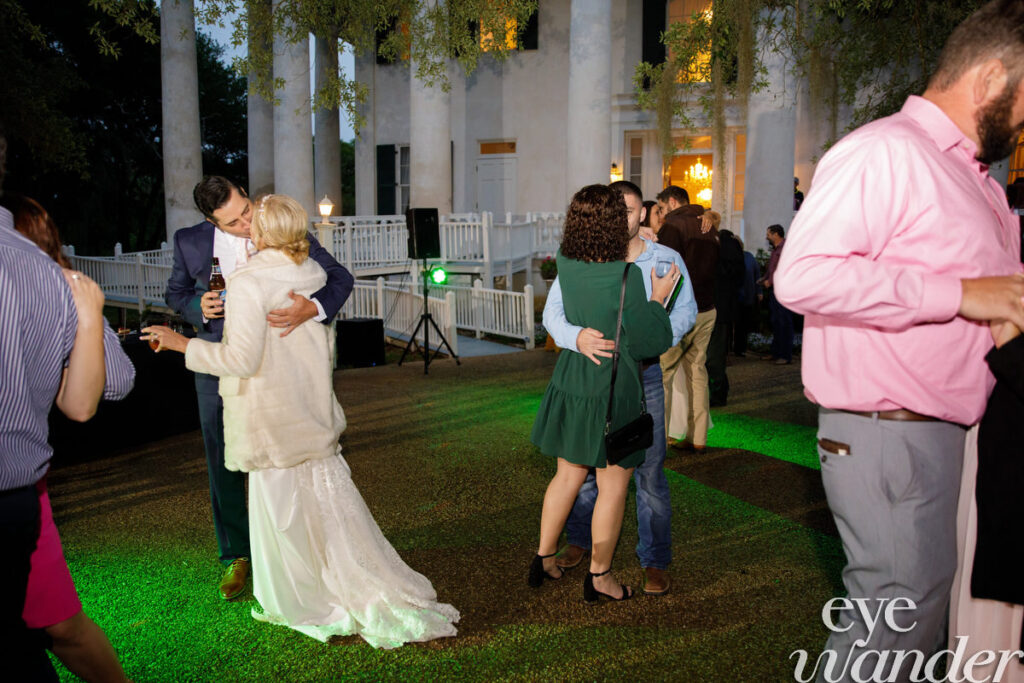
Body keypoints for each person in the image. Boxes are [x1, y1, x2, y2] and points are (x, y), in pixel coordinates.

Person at [774, 0, 1024, 677]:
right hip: (889, 432)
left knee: (912, 629)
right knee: (894, 625)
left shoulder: (974, 179)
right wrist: (960, 293)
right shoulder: (885, 151)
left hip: (938, 436)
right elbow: (801, 275)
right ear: (992, 77)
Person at [146, 194, 458, 647]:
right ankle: (336, 578)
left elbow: (239, 359)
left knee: (283, 518)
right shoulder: (310, 271)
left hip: (270, 421)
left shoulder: (249, 281)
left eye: (250, 217)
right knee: (320, 509)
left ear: (261, 231)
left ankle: (298, 598)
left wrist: (180, 344)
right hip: (308, 412)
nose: (245, 224)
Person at [165, 176, 354, 601]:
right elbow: (176, 292)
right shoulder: (188, 242)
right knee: (223, 462)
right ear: (211, 222)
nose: (246, 225)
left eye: (246, 211)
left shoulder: (280, 227)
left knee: (289, 464)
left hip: (281, 371)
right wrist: (198, 307)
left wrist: (312, 307)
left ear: (248, 197)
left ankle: (296, 555)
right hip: (217, 363)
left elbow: (339, 278)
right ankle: (237, 555)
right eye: (232, 223)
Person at [2, 193, 135, 682]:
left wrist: (83, 318)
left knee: (59, 624)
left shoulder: (60, 285)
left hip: (21, 486)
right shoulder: (46, 280)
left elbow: (113, 383)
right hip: (22, 486)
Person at [543, 180, 696, 596]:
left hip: (642, 375)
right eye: (617, 211)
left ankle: (654, 560)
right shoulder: (592, 260)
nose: (623, 218)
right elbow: (553, 314)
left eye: (629, 211)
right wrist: (577, 337)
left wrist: (645, 340)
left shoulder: (664, 258)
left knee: (649, 472)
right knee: (586, 473)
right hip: (599, 372)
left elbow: (687, 313)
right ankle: (583, 547)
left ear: (642, 214)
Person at [655, 185, 719, 453]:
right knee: (697, 373)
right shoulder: (709, 227)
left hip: (679, 311)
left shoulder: (673, 226)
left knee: (662, 376)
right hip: (707, 309)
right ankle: (698, 437)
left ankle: (659, 441)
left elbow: (664, 269)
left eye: (661, 207)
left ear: (672, 202)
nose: (661, 213)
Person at [705, 227, 744, 406]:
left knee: (714, 356)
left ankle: (718, 392)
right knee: (716, 355)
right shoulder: (733, 257)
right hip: (723, 311)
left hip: (716, 309)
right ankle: (719, 391)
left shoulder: (721, 260)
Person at [759, 225, 793, 365]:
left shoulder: (785, 248)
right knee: (776, 321)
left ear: (776, 234)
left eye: (769, 234)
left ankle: (785, 355)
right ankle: (776, 352)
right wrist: (764, 278)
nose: (767, 237)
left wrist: (770, 281)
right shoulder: (776, 249)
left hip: (783, 289)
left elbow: (783, 267)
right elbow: (772, 268)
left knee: (784, 321)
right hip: (775, 289)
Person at [733, 239, 760, 357]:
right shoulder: (733, 258)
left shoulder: (749, 257)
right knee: (737, 323)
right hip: (736, 297)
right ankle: (736, 348)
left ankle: (741, 348)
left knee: (743, 324)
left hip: (747, 296)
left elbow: (756, 274)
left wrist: (759, 291)